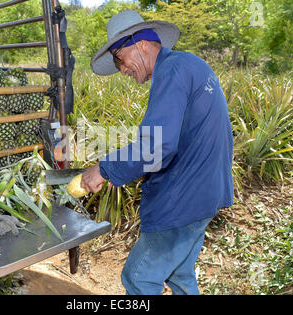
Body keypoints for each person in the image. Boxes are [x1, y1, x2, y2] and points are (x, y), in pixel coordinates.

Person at [80, 10, 234, 295]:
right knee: (180, 276)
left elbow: (157, 145)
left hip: (184, 202)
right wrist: (127, 170)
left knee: (139, 280)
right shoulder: (189, 64)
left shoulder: (172, 70)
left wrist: (104, 169)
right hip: (204, 195)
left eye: (119, 60)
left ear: (139, 44)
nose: (123, 71)